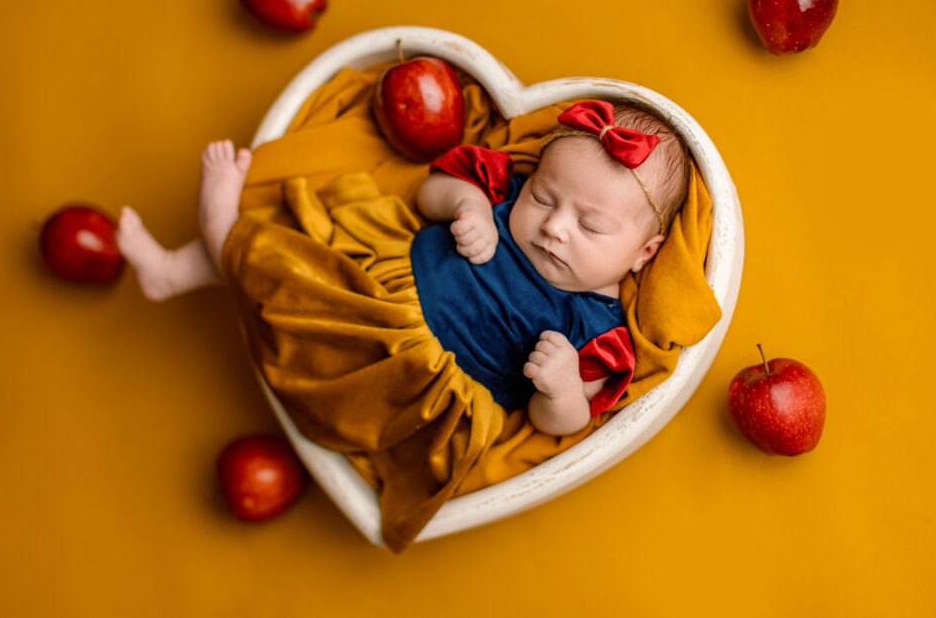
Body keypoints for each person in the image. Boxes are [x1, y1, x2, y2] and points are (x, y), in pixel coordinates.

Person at [116, 100, 692, 436]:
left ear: (645, 253)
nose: (554, 226)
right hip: (377, 272)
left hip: (412, 372)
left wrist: (561, 387)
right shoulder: (505, 197)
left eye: (590, 227)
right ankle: (186, 266)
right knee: (297, 252)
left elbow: (558, 424)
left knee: (294, 294)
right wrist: (466, 204)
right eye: (544, 197)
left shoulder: (596, 329)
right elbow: (430, 192)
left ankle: (218, 243)